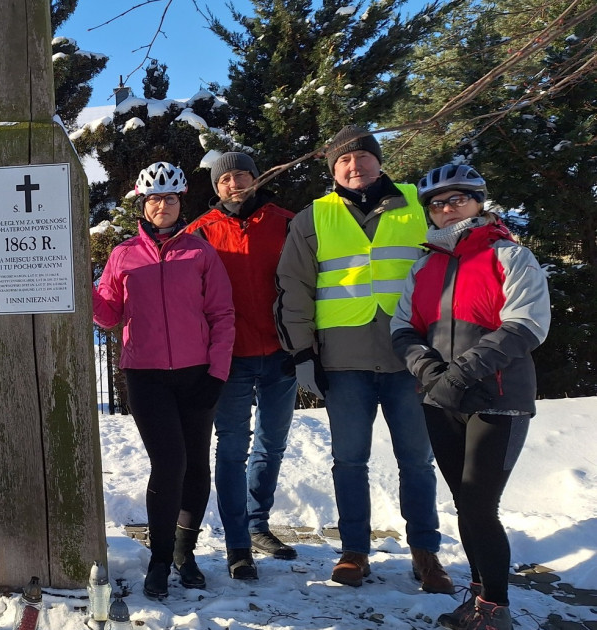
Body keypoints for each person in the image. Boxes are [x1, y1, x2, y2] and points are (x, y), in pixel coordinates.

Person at [275, 125, 453, 593]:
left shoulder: (421, 203)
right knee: (349, 460)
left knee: (416, 459)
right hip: (344, 359)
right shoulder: (313, 217)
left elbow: (455, 262)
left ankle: (425, 552)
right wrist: (302, 353)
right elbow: (293, 288)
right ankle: (354, 550)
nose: (355, 167)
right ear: (333, 169)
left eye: (362, 157)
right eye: (343, 161)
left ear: (379, 160)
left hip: (411, 357)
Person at [392, 165, 549, 630]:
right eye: (436, 204)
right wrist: (428, 371)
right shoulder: (423, 266)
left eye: (457, 199)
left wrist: (457, 375)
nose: (446, 209)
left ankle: (495, 611)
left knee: (481, 506)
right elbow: (403, 328)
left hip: (497, 399)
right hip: (441, 400)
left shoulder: (510, 256)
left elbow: (525, 326)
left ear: (479, 201)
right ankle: (479, 598)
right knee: (464, 503)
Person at [93, 162, 235, 598]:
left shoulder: (199, 252)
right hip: (146, 376)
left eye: (170, 198)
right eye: (154, 199)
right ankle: (158, 559)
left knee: (196, 465)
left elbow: (222, 315)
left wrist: (217, 372)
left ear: (180, 203)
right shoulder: (123, 255)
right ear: (143, 203)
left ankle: (184, 553)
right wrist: (87, 293)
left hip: (197, 375)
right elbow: (109, 316)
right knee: (169, 463)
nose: (162, 205)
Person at [184, 152, 297, 580]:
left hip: (280, 353)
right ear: (216, 187)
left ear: (256, 177)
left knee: (272, 443)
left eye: (243, 175)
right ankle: (237, 543)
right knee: (231, 447)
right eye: (226, 178)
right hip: (229, 357)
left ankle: (258, 524)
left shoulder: (286, 221)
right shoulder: (200, 233)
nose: (235, 183)